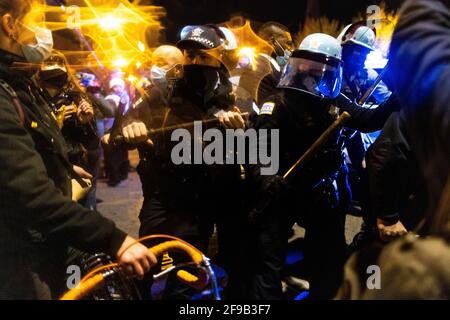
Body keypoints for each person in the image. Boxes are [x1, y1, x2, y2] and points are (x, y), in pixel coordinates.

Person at [0, 0, 156, 299]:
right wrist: (114, 239)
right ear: (10, 25)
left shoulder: (16, 84)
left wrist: (64, 167)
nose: (44, 32)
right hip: (19, 259)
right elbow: (29, 193)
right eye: (37, 20)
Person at [246, 32, 399, 300]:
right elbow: (259, 149)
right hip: (284, 189)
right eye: (308, 62)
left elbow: (367, 119)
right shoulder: (278, 102)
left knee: (327, 262)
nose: (314, 70)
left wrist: (394, 101)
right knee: (268, 262)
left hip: (323, 192)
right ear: (297, 63)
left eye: (322, 65)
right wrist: (267, 179)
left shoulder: (332, 99)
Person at [117, 25, 248, 299]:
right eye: (189, 55)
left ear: (218, 57)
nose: (194, 62)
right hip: (164, 197)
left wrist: (239, 133)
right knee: (145, 265)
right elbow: (129, 119)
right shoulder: (164, 91)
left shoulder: (236, 95)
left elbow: (256, 150)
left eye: (202, 55)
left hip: (204, 201)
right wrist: (132, 127)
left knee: (187, 276)